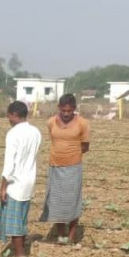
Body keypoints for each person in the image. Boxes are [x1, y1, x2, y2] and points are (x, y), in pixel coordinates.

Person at [0, 101, 41, 257]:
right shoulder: (35, 132)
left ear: (14, 115)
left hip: (16, 183)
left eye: (8, 115)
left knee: (15, 222)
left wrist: (3, 187)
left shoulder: (13, 134)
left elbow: (9, 164)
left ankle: (20, 254)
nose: (8, 119)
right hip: (29, 180)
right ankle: (18, 251)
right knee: (22, 217)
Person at [40, 93, 90, 242]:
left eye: (69, 111)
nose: (66, 114)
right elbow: (54, 141)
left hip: (73, 168)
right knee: (56, 201)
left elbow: (85, 146)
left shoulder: (83, 123)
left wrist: (71, 155)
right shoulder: (51, 122)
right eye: (63, 110)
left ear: (74, 108)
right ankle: (61, 233)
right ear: (59, 108)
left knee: (73, 201)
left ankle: (71, 236)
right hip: (55, 166)